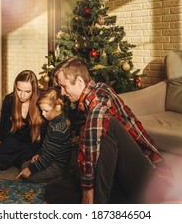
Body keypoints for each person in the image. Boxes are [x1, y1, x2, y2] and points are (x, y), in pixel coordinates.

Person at [46, 57, 173, 204]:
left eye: (64, 86)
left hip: (148, 181)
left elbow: (92, 147)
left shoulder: (99, 100)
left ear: (79, 82)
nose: (62, 92)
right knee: (53, 188)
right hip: (122, 178)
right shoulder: (97, 90)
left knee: (107, 126)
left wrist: (88, 190)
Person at [0, 70, 45, 172]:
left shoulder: (41, 100)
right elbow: (1, 132)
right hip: (13, 140)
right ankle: (11, 157)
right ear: (15, 87)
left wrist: (40, 153)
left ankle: (16, 158)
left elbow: (46, 135)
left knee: (27, 162)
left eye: (27, 92)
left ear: (34, 90)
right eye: (19, 90)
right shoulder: (9, 100)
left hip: (32, 143)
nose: (22, 95)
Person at [16, 87, 72, 183]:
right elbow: (47, 143)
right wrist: (39, 153)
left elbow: (49, 156)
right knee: (25, 165)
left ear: (57, 107)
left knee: (28, 175)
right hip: (48, 159)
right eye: (42, 110)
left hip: (56, 166)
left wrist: (30, 170)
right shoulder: (53, 121)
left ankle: (59, 177)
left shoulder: (59, 129)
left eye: (46, 111)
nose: (43, 114)